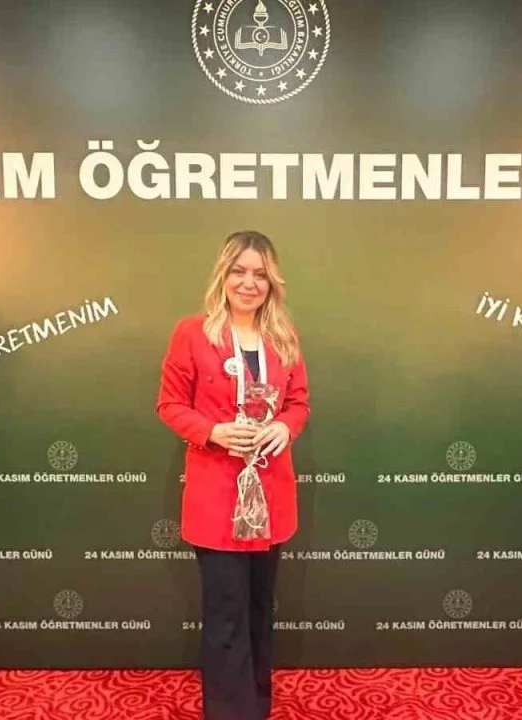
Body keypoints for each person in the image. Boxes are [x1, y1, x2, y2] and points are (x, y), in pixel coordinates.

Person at [156, 230, 310, 719]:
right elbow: (169, 405)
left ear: (272, 282)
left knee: (260, 609)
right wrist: (214, 431)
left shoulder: (283, 337)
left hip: (270, 494)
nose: (249, 283)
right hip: (217, 494)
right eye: (239, 271)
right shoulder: (192, 333)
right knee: (225, 614)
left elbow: (299, 403)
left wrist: (285, 427)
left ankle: (257, 706)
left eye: (260, 274)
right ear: (223, 276)